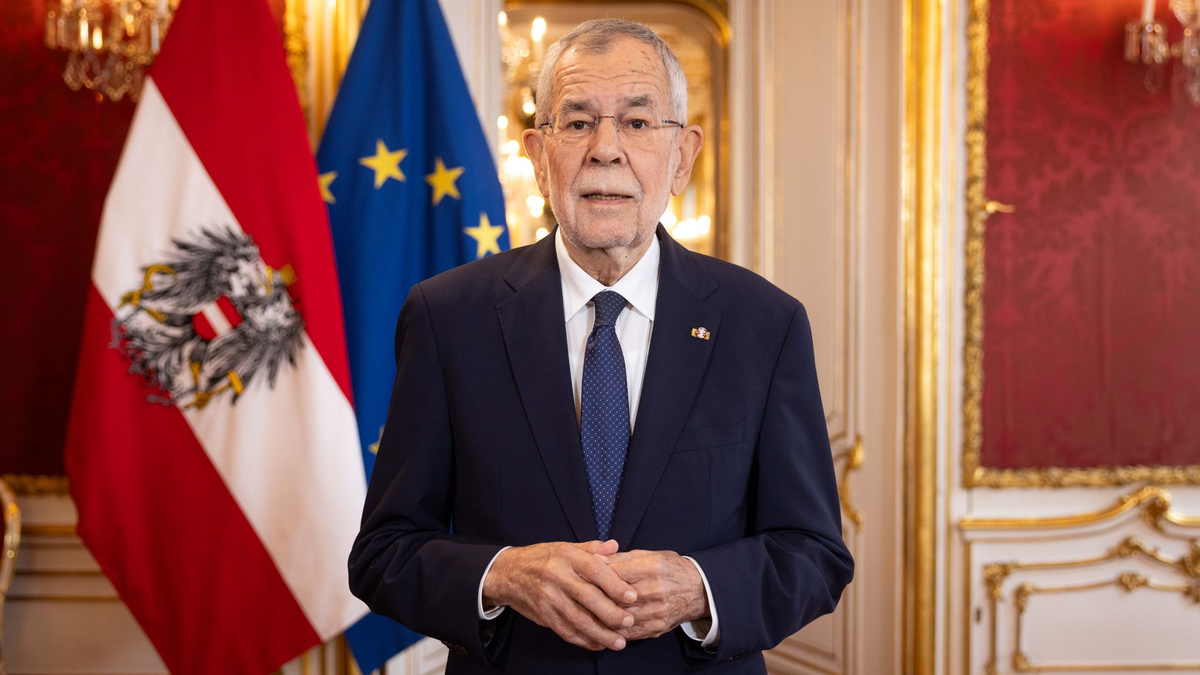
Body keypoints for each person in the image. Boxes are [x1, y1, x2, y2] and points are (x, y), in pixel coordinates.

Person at [348, 18, 853, 675]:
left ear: (683, 157)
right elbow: (383, 552)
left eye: (637, 122)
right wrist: (502, 574)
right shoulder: (448, 317)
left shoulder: (764, 324)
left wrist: (699, 587)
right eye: (578, 121)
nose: (605, 149)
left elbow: (814, 554)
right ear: (539, 157)